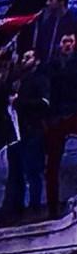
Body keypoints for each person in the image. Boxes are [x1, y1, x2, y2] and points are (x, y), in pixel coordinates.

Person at [1, 50, 49, 223]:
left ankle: (35, 207)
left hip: (31, 131)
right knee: (16, 173)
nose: (24, 60)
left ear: (36, 61)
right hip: (14, 133)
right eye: (23, 57)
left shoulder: (39, 79)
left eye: (28, 57)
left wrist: (20, 103)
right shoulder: (15, 81)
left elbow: (44, 103)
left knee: (33, 171)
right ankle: (17, 208)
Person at [44, 33, 77, 219]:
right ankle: (52, 209)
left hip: (74, 112)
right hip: (56, 116)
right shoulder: (51, 65)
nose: (67, 45)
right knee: (51, 165)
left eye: (70, 41)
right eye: (64, 41)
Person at [18, 0, 77, 64]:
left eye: (51, 0)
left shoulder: (73, 19)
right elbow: (42, 45)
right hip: (48, 68)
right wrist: (34, 55)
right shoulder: (48, 22)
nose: (47, 3)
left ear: (61, 2)